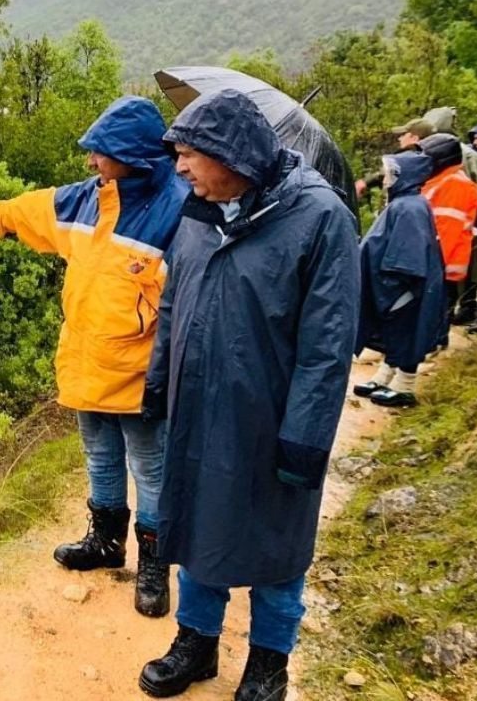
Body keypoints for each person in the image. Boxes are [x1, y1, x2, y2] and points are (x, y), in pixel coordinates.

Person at [136, 90, 360, 700]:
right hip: (197, 412)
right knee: (199, 529)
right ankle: (197, 643)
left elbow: (328, 345)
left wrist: (305, 441)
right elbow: (175, 303)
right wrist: (158, 383)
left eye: (187, 155)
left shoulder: (319, 219)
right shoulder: (198, 211)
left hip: (272, 422)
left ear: (228, 152)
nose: (178, 168)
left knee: (277, 545)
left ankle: (268, 662)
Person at [0, 96, 188, 618]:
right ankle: (105, 542)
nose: (91, 162)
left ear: (136, 154)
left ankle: (154, 564)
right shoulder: (88, 200)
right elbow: (37, 207)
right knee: (99, 457)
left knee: (150, 468)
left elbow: (192, 300)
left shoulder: (177, 209)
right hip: (85, 362)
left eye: (101, 152)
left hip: (141, 372)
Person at [353, 151, 447, 408]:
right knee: (394, 334)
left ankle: (405, 385)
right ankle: (387, 375)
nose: (385, 178)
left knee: (406, 332)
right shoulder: (404, 203)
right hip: (395, 288)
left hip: (403, 289)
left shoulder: (409, 208)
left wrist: (391, 290)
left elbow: (408, 259)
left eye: (391, 173)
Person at [418, 132, 477, 332]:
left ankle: (433, 344)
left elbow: (447, 231)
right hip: (440, 263)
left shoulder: (454, 185)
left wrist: (430, 265)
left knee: (438, 311)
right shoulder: (441, 180)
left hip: (444, 264)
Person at [354, 117, 433, 198]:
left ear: (414, 138)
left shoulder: (410, 161)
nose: (400, 138)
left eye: (403, 135)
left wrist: (365, 182)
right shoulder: (430, 159)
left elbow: (391, 171)